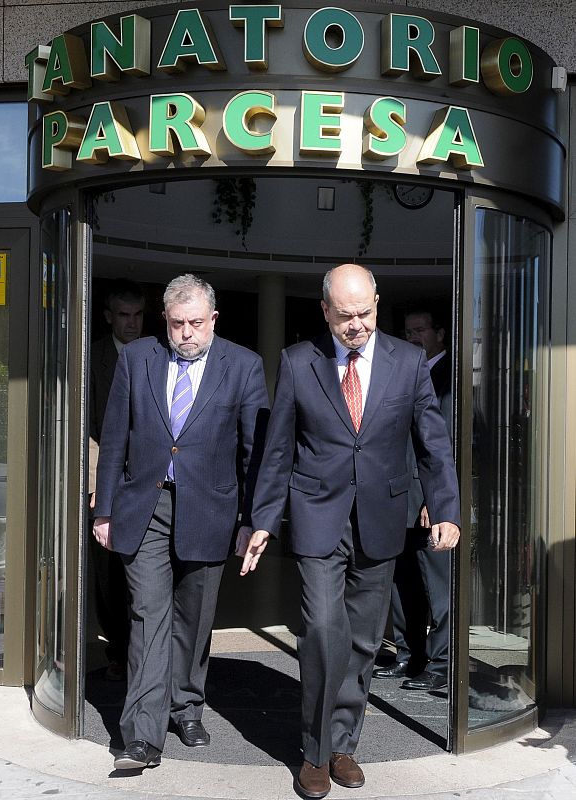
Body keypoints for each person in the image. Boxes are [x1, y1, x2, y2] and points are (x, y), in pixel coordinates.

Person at [239, 264, 460, 800]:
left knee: (362, 641)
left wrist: (445, 506)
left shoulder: (408, 364)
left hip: (380, 521)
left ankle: (343, 743)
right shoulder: (298, 362)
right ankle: (314, 752)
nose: (356, 325)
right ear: (325, 311)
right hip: (317, 517)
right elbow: (278, 450)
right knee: (322, 630)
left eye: (364, 313)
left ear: (377, 305)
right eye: (344, 316)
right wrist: (262, 520)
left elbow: (433, 443)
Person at [93, 273, 268, 771]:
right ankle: (142, 735)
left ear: (213, 319)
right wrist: (105, 508)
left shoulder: (244, 366)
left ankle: (186, 705)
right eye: (176, 324)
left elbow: (254, 454)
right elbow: (115, 438)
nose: (186, 333)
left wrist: (251, 521)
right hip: (144, 507)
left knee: (193, 619)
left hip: (211, 510)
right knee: (148, 617)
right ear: (163, 321)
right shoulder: (136, 359)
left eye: (195, 323)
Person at [373, 307, 453, 691]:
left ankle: (443, 662)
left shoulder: (450, 377)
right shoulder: (406, 371)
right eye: (407, 331)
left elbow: (443, 445)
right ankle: (409, 654)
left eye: (420, 329)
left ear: (440, 333)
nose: (413, 337)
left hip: (428, 500)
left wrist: (433, 500)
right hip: (398, 496)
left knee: (438, 584)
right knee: (402, 582)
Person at [89, 279, 146, 682]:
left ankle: (143, 654)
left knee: (144, 570)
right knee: (107, 571)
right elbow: (88, 425)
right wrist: (95, 482)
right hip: (104, 475)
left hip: (148, 477)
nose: (131, 323)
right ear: (109, 317)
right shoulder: (92, 359)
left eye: (138, 315)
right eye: (124, 315)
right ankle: (118, 651)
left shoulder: (156, 355)